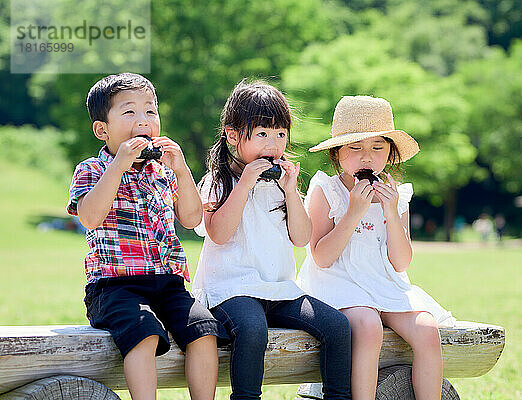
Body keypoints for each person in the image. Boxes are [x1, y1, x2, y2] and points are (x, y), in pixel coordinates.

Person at [67, 73, 226, 400]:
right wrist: (120, 165)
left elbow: (192, 218)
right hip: (114, 287)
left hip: (167, 283)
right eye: (129, 112)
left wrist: (182, 170)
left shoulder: (164, 172)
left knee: (204, 331)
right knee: (145, 332)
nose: (142, 119)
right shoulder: (92, 170)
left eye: (150, 111)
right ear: (103, 130)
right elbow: (90, 216)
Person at [192, 79, 352, 400]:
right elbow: (219, 234)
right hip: (231, 289)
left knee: (338, 326)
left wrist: (292, 191)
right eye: (262, 134)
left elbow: (302, 238)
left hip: (280, 290)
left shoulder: (281, 184)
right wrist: (244, 184)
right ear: (234, 135)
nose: (273, 144)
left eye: (280, 134)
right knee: (252, 330)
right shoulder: (217, 181)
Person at [297, 96, 455, 400]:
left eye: (377, 148)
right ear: (337, 153)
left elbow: (401, 262)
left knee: (426, 329)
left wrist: (391, 212)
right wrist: (354, 211)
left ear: (390, 155)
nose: (366, 157)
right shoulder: (325, 191)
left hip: (384, 282)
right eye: (355, 148)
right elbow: (322, 257)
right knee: (368, 326)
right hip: (338, 283)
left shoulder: (396, 196)